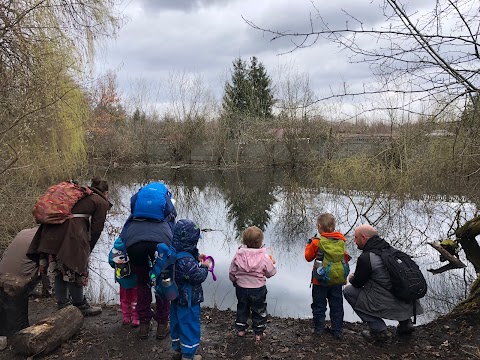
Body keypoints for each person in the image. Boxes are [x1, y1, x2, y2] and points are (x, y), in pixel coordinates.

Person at [27, 177, 112, 316]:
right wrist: (88, 248)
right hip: (71, 236)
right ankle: (80, 305)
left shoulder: (80, 195)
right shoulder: (100, 201)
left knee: (60, 270)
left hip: (51, 234)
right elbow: (97, 229)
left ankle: (63, 304)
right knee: (76, 268)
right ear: (106, 192)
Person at [343, 224, 423, 340]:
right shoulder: (393, 252)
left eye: (356, 238)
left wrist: (351, 278)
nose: (354, 241)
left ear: (364, 237)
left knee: (348, 291)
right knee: (389, 284)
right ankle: (406, 323)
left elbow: (358, 283)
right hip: (408, 302)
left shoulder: (367, 257)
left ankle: (378, 330)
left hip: (391, 302)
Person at [119, 182, 176, 340]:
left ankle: (144, 325)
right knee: (164, 281)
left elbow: (132, 208)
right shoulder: (165, 196)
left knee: (142, 283)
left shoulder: (138, 197)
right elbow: (172, 215)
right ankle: (162, 325)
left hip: (134, 241)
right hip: (161, 240)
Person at [170, 219, 210, 360]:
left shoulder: (174, 252)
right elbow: (197, 276)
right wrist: (205, 266)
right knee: (189, 325)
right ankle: (188, 355)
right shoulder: (186, 262)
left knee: (177, 323)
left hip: (176, 298)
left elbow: (186, 268)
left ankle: (178, 349)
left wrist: (196, 258)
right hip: (189, 301)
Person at [229, 226, 277, 342]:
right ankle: (258, 333)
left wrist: (234, 281)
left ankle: (241, 329)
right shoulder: (264, 258)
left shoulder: (238, 256)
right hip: (258, 289)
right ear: (260, 242)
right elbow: (271, 273)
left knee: (242, 308)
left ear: (244, 241)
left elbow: (232, 272)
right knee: (259, 310)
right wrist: (273, 263)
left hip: (241, 288)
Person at [304, 213, 349, 338]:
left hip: (320, 280)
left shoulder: (317, 242)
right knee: (337, 305)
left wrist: (309, 244)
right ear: (334, 226)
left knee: (319, 305)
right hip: (336, 280)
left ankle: (319, 329)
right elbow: (344, 259)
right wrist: (344, 277)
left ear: (319, 227)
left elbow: (308, 257)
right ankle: (337, 331)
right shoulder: (341, 241)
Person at [0, 226, 51, 296]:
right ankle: (27, 291)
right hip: (17, 282)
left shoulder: (23, 232)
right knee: (44, 263)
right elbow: (44, 268)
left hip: (2, 276)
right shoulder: (43, 238)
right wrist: (48, 289)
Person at [108, 237, 139, 327]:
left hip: (122, 279)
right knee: (135, 299)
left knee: (124, 299)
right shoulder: (134, 244)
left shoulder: (116, 247)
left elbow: (111, 261)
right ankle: (136, 318)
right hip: (135, 278)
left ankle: (126, 317)